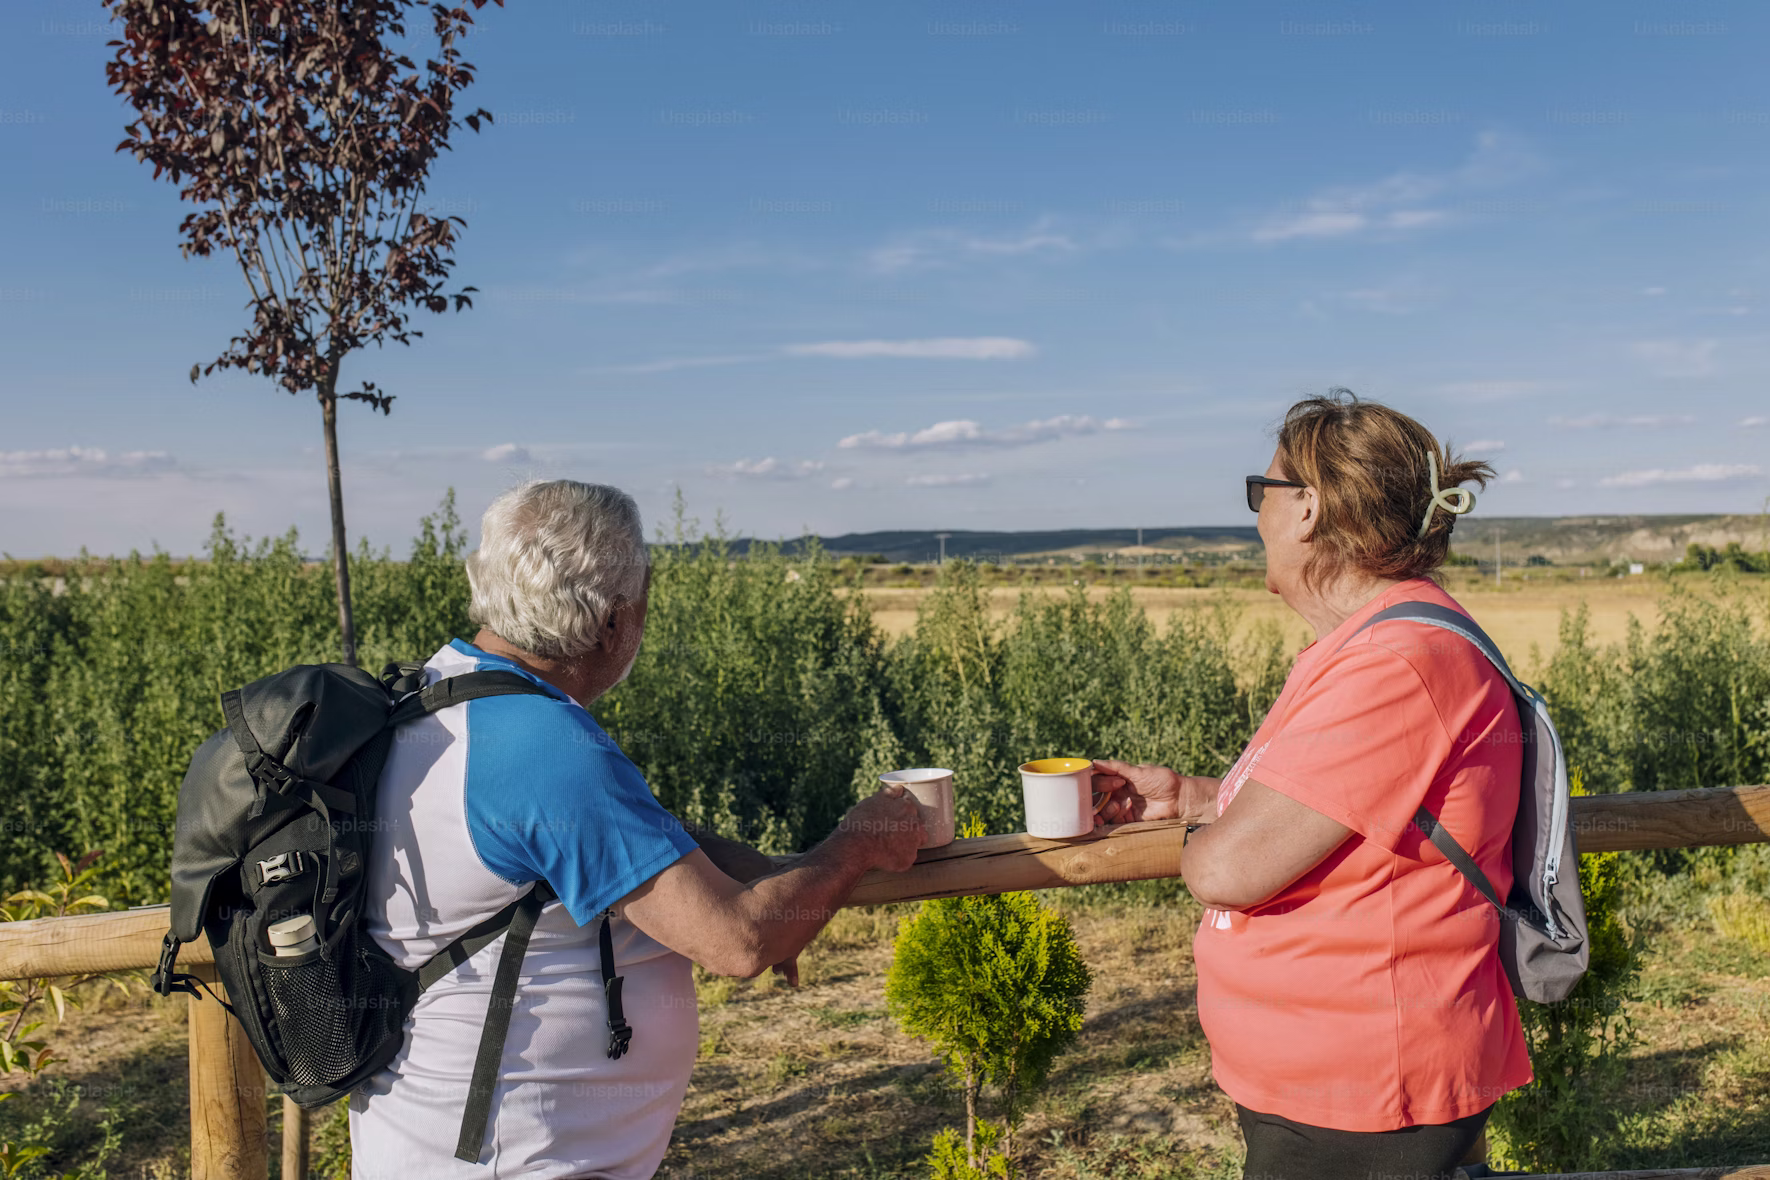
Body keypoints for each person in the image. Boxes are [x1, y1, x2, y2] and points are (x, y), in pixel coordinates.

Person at [349, 479, 923, 1179]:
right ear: (613, 622)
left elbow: (629, 840)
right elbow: (739, 943)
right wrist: (855, 843)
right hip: (514, 1160)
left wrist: (778, 883)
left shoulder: (442, 695)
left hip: (449, 1145)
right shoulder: (543, 746)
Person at [1093, 391, 1530, 1180]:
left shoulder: (1395, 665)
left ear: (1308, 510)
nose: (1255, 516)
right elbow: (1342, 809)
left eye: (1261, 492)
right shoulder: (1377, 642)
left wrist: (1204, 841)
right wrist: (1193, 798)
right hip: (1341, 1078)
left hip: (1368, 1086)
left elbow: (1229, 871)